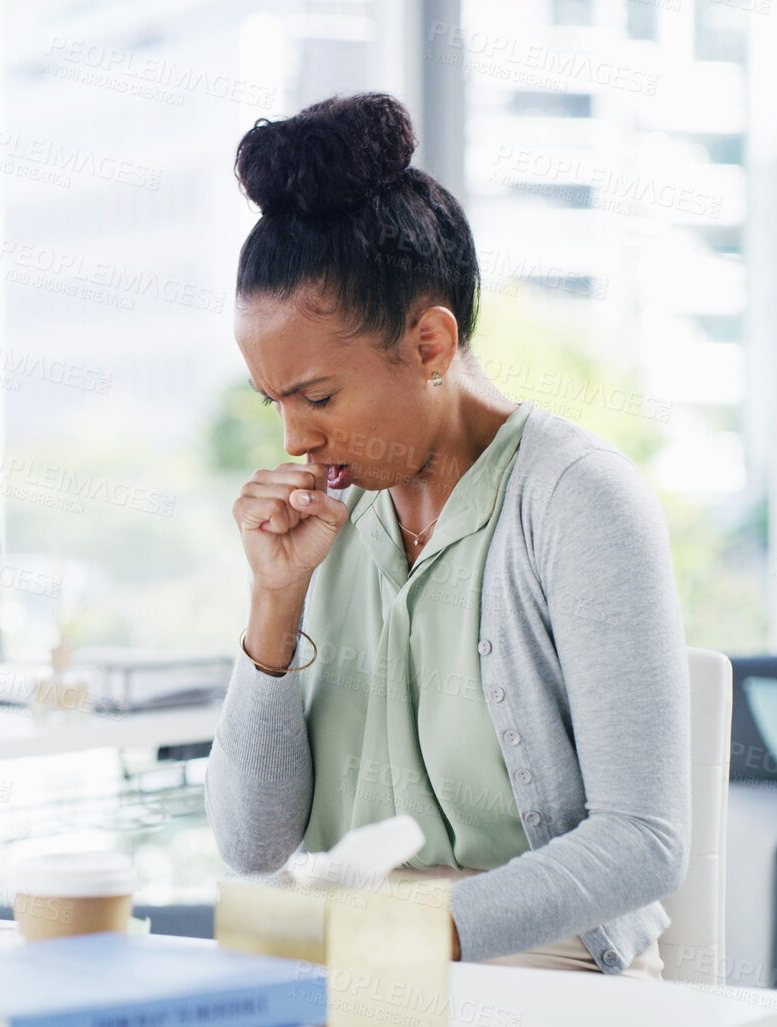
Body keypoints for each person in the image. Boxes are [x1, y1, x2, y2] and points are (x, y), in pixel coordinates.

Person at [203, 92, 689, 980]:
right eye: (270, 401)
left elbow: (642, 838)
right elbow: (249, 841)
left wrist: (407, 935)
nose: (292, 440)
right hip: (342, 951)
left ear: (429, 342)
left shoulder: (580, 500)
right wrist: (274, 603)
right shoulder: (327, 518)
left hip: (534, 955)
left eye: (316, 397)